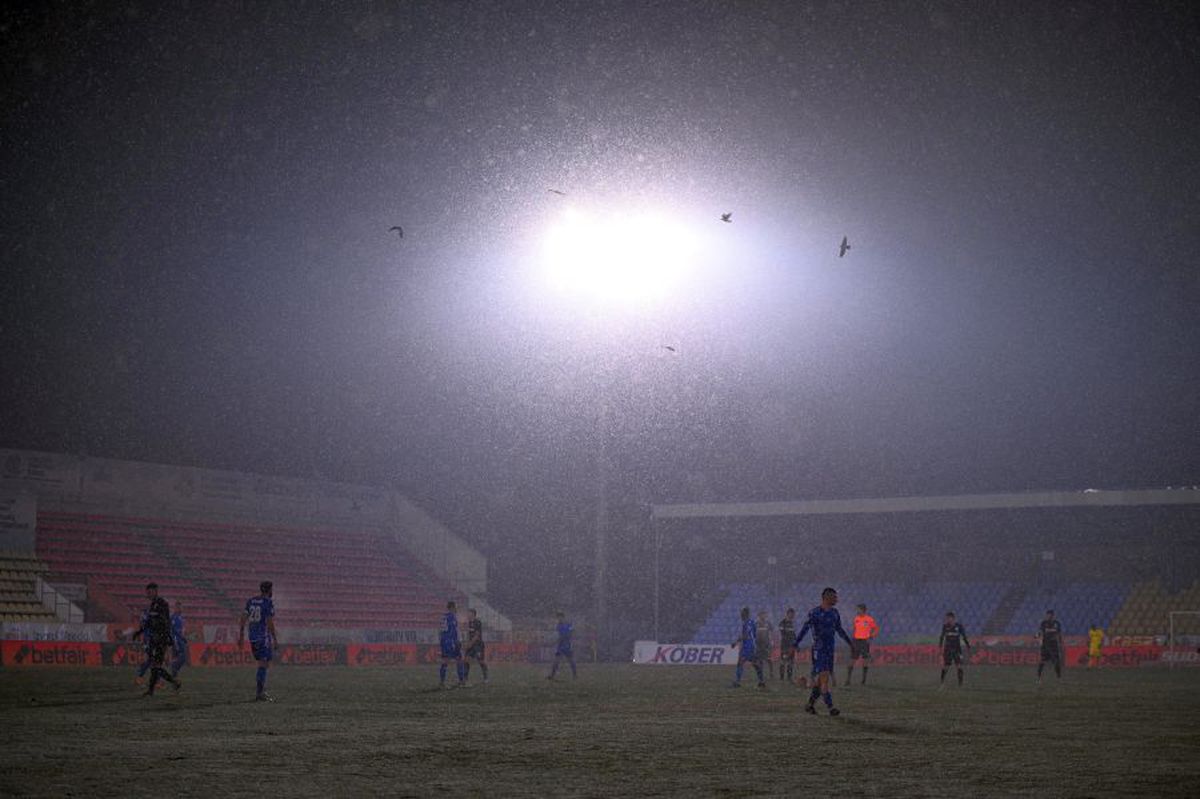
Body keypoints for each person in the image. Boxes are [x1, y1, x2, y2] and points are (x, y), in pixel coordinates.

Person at [795, 587, 853, 715]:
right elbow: (805, 629)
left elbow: (839, 629)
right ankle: (831, 707)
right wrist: (795, 643)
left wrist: (850, 643)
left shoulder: (835, 613)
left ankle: (810, 704)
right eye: (834, 597)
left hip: (830, 650)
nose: (837, 599)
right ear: (827, 597)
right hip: (819, 649)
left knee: (820, 680)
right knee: (825, 679)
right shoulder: (815, 613)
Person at [138, 583, 181, 696]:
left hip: (161, 639)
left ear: (156, 591)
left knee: (155, 665)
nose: (148, 594)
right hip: (155, 638)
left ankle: (173, 682)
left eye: (150, 592)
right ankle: (152, 690)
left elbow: (166, 621)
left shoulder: (162, 603)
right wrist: (140, 631)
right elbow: (150, 621)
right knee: (154, 665)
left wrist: (166, 637)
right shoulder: (153, 605)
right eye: (147, 592)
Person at [238, 580, 277, 701]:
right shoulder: (268, 602)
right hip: (263, 637)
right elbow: (269, 622)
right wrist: (275, 638)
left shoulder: (251, 601)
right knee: (263, 664)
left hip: (253, 637)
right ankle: (260, 693)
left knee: (262, 663)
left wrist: (241, 635)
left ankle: (260, 691)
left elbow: (243, 618)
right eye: (271, 589)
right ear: (269, 590)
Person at [730, 606, 764, 688]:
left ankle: (737, 682)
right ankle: (761, 681)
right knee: (756, 664)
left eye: (742, 613)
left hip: (747, 646)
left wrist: (735, 642)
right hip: (752, 645)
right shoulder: (752, 622)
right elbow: (754, 635)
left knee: (740, 662)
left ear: (745, 614)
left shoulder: (745, 623)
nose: (741, 615)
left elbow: (745, 635)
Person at [847, 603, 879, 686]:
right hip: (856, 641)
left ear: (863, 610)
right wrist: (853, 638)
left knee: (865, 660)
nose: (857, 611)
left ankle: (863, 680)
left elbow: (876, 629)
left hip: (864, 641)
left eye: (858, 609)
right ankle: (848, 680)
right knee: (852, 659)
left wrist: (871, 636)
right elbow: (855, 629)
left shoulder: (869, 619)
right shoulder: (856, 619)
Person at [439, 600, 467, 688]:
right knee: (459, 660)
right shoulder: (452, 617)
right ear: (452, 607)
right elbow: (453, 631)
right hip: (451, 641)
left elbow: (442, 631)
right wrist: (457, 641)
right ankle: (461, 681)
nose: (456, 609)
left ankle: (442, 682)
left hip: (444, 641)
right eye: (455, 607)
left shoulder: (443, 617)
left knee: (445, 661)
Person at [939, 612, 970, 687]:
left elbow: (964, 636)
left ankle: (960, 683)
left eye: (948, 618)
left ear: (953, 618)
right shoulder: (945, 626)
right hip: (948, 649)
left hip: (957, 649)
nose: (947, 620)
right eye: (946, 618)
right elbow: (942, 636)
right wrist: (940, 645)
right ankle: (942, 681)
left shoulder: (959, 626)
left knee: (959, 666)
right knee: (946, 666)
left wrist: (967, 645)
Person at [548, 611, 577, 680]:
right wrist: (556, 640)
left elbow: (572, 632)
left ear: (563, 617)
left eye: (560, 617)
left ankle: (575, 675)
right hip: (560, 646)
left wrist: (567, 636)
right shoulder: (558, 626)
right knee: (556, 661)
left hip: (567, 645)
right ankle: (552, 675)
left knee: (571, 660)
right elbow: (558, 635)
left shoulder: (568, 624)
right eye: (558, 617)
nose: (559, 619)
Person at [463, 608, 489, 684]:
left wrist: (470, 644)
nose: (467, 614)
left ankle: (486, 678)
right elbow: (469, 635)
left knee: (481, 661)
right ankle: (465, 678)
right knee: (466, 660)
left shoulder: (477, 622)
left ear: (473, 614)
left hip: (478, 645)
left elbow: (477, 635)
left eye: (469, 613)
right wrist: (466, 643)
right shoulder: (469, 623)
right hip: (471, 645)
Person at [1037, 609, 1064, 682]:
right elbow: (1041, 632)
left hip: (1054, 645)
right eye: (1047, 615)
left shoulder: (1057, 623)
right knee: (1042, 661)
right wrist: (1039, 639)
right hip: (1045, 644)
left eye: (1050, 615)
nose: (1049, 616)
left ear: (1053, 615)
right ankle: (1039, 678)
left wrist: (1061, 642)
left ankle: (1059, 677)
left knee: (1057, 661)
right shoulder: (1043, 623)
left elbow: (1059, 634)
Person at [132, 608, 153, 686]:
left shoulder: (147, 617)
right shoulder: (147, 616)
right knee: (151, 660)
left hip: (149, 640)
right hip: (148, 640)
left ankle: (139, 676)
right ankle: (140, 676)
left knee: (151, 660)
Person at [168, 601, 189, 679]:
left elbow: (180, 630)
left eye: (181, 607)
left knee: (177, 657)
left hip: (179, 639)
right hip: (176, 639)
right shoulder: (174, 617)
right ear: (176, 608)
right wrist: (180, 637)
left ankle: (174, 675)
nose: (181, 609)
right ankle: (173, 667)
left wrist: (183, 637)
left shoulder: (180, 617)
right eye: (179, 607)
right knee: (183, 657)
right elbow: (173, 629)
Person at [778, 608, 798, 683]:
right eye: (791, 614)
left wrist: (796, 644)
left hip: (791, 646)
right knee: (783, 661)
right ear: (788, 614)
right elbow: (783, 634)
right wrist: (789, 643)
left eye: (793, 614)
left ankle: (789, 677)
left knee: (791, 662)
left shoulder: (792, 624)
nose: (792, 616)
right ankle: (781, 677)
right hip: (785, 646)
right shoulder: (782, 623)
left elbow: (794, 635)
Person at [755, 610, 775, 682]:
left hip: (766, 644)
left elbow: (772, 631)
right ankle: (761, 674)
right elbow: (754, 633)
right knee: (760, 660)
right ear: (758, 616)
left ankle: (771, 673)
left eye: (764, 614)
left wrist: (772, 640)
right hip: (758, 644)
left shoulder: (768, 623)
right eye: (761, 615)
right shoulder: (756, 623)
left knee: (769, 659)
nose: (762, 616)